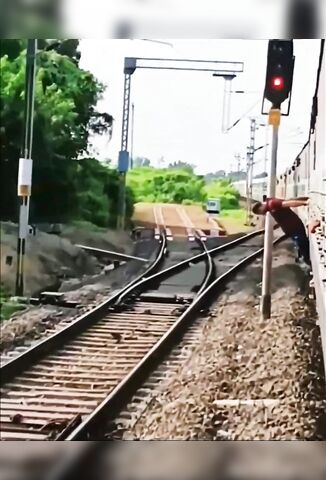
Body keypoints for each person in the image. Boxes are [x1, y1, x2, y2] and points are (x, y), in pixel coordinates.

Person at [252, 196, 311, 264]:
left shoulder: (272, 204)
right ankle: (304, 258)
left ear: (260, 207)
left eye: (260, 212)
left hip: (295, 228)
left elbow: (289, 203)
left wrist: (305, 202)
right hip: (292, 229)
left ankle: (307, 261)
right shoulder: (270, 205)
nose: (262, 213)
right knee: (301, 245)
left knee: (302, 243)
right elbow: (289, 200)